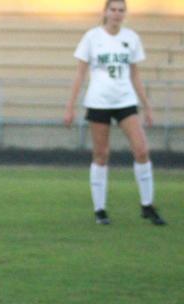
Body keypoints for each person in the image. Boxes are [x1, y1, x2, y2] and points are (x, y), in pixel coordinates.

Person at [64, 0, 167, 226]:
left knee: (141, 150)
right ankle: (100, 209)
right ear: (105, 12)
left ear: (125, 14)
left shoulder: (131, 38)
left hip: (125, 100)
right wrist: (70, 106)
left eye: (121, 10)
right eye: (113, 10)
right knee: (101, 155)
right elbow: (80, 75)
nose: (117, 14)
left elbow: (135, 75)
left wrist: (147, 105)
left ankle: (147, 205)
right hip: (99, 101)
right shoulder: (92, 38)